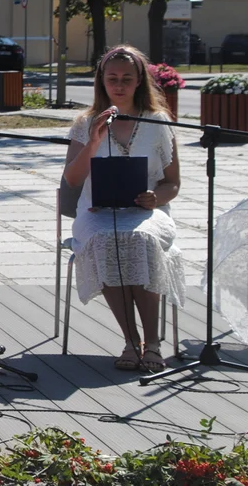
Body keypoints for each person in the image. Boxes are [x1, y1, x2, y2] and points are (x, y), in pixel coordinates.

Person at [62, 44, 185, 373]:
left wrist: (155, 198)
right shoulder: (86, 123)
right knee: (108, 239)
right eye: (112, 78)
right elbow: (72, 180)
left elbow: (172, 183)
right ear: (101, 81)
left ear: (139, 82)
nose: (118, 85)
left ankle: (153, 342)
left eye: (127, 79)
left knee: (140, 239)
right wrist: (94, 142)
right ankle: (131, 341)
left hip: (147, 213)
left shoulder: (158, 121)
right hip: (96, 214)